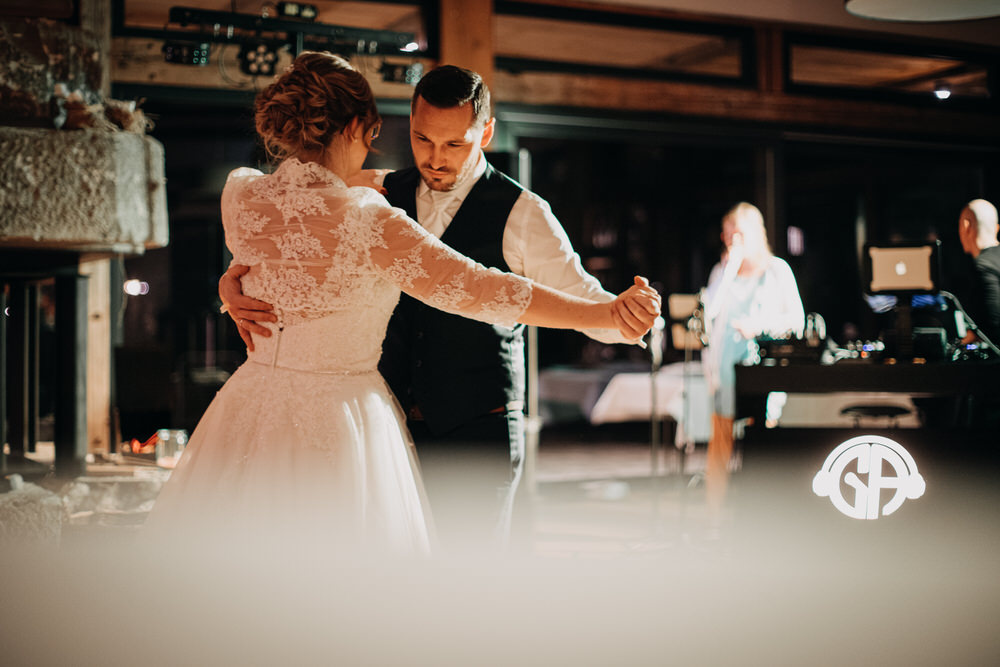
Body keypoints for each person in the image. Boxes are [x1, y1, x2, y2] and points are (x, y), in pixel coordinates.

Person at [147, 52, 660, 555]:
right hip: (369, 424)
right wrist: (232, 288)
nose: (435, 157)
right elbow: (302, 230)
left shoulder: (525, 212)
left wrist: (618, 315)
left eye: (454, 143)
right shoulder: (374, 195)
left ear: (484, 134)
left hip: (470, 426)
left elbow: (563, 296)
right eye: (421, 139)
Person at [700, 202, 803, 518]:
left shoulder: (777, 270)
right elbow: (710, 310)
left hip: (762, 368)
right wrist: (730, 267)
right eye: (728, 236)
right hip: (725, 370)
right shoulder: (722, 271)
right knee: (720, 446)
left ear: (756, 234)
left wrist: (759, 327)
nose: (733, 242)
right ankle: (714, 515)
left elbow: (796, 320)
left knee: (762, 442)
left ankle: (763, 513)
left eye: (739, 235)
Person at [957, 198, 1000, 346]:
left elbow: (993, 325)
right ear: (997, 228)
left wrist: (968, 339)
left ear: (966, 226)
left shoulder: (983, 266)